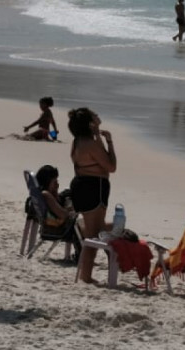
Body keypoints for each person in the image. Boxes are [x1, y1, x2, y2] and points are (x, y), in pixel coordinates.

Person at [68, 107, 116, 284]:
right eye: (95, 115)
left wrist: (97, 135)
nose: (98, 115)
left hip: (81, 185)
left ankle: (85, 274)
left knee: (94, 231)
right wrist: (109, 142)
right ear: (90, 123)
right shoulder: (92, 143)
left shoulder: (77, 141)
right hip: (95, 187)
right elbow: (111, 166)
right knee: (94, 235)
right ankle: (85, 275)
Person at [34, 164, 80, 262]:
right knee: (79, 225)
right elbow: (62, 214)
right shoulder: (46, 194)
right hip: (58, 229)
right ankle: (80, 255)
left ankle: (80, 254)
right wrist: (70, 211)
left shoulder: (50, 195)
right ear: (47, 182)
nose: (57, 184)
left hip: (59, 226)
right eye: (54, 181)